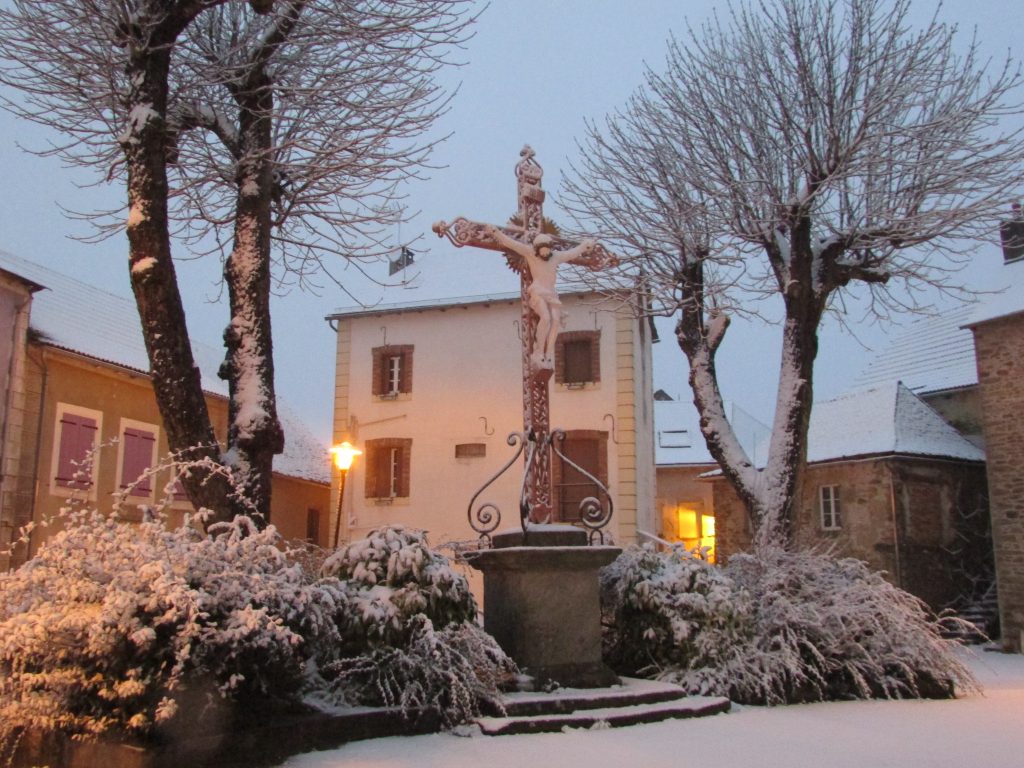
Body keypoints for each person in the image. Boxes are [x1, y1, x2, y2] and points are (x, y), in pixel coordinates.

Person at [484, 225, 596, 369]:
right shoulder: (530, 253)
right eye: (542, 250)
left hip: (551, 293)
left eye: (547, 250)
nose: (545, 253)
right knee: (546, 318)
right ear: (537, 250)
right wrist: (496, 233)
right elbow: (512, 243)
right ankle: (538, 352)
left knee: (556, 322)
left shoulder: (556, 257)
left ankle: (548, 354)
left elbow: (571, 253)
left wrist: (584, 246)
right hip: (538, 291)